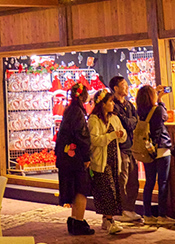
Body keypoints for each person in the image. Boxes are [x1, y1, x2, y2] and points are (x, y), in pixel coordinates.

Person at [55, 82, 94, 236]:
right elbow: (81, 135)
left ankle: (74, 219)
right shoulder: (78, 112)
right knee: (81, 189)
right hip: (76, 157)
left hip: (67, 156)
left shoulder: (69, 111)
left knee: (74, 188)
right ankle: (78, 220)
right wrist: (86, 156)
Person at [88, 90, 127, 234]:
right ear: (103, 104)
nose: (112, 104)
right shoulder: (94, 119)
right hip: (101, 160)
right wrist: (112, 135)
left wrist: (121, 134)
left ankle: (106, 219)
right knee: (107, 190)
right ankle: (110, 221)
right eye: (110, 101)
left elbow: (122, 136)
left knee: (113, 188)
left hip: (114, 159)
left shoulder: (114, 118)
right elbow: (94, 140)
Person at [135, 85, 173, 226]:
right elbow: (165, 117)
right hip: (161, 148)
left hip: (147, 149)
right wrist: (161, 101)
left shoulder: (139, 111)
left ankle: (147, 214)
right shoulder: (157, 109)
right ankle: (162, 214)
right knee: (162, 182)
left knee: (149, 182)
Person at [108, 77, 140, 223]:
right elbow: (125, 123)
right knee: (122, 180)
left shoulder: (129, 104)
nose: (127, 87)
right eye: (123, 85)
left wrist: (130, 122)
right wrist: (130, 122)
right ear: (115, 88)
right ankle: (122, 210)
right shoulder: (112, 105)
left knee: (134, 179)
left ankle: (130, 209)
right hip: (120, 147)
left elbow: (135, 121)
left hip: (131, 146)